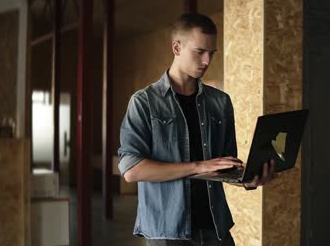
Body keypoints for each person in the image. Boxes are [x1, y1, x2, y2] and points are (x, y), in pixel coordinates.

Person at [118, 13, 276, 246]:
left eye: (211, 53)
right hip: (167, 232)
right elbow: (132, 170)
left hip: (215, 228)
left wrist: (247, 179)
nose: (207, 61)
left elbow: (223, 166)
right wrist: (199, 166)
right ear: (177, 47)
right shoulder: (144, 102)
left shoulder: (220, 102)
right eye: (199, 52)